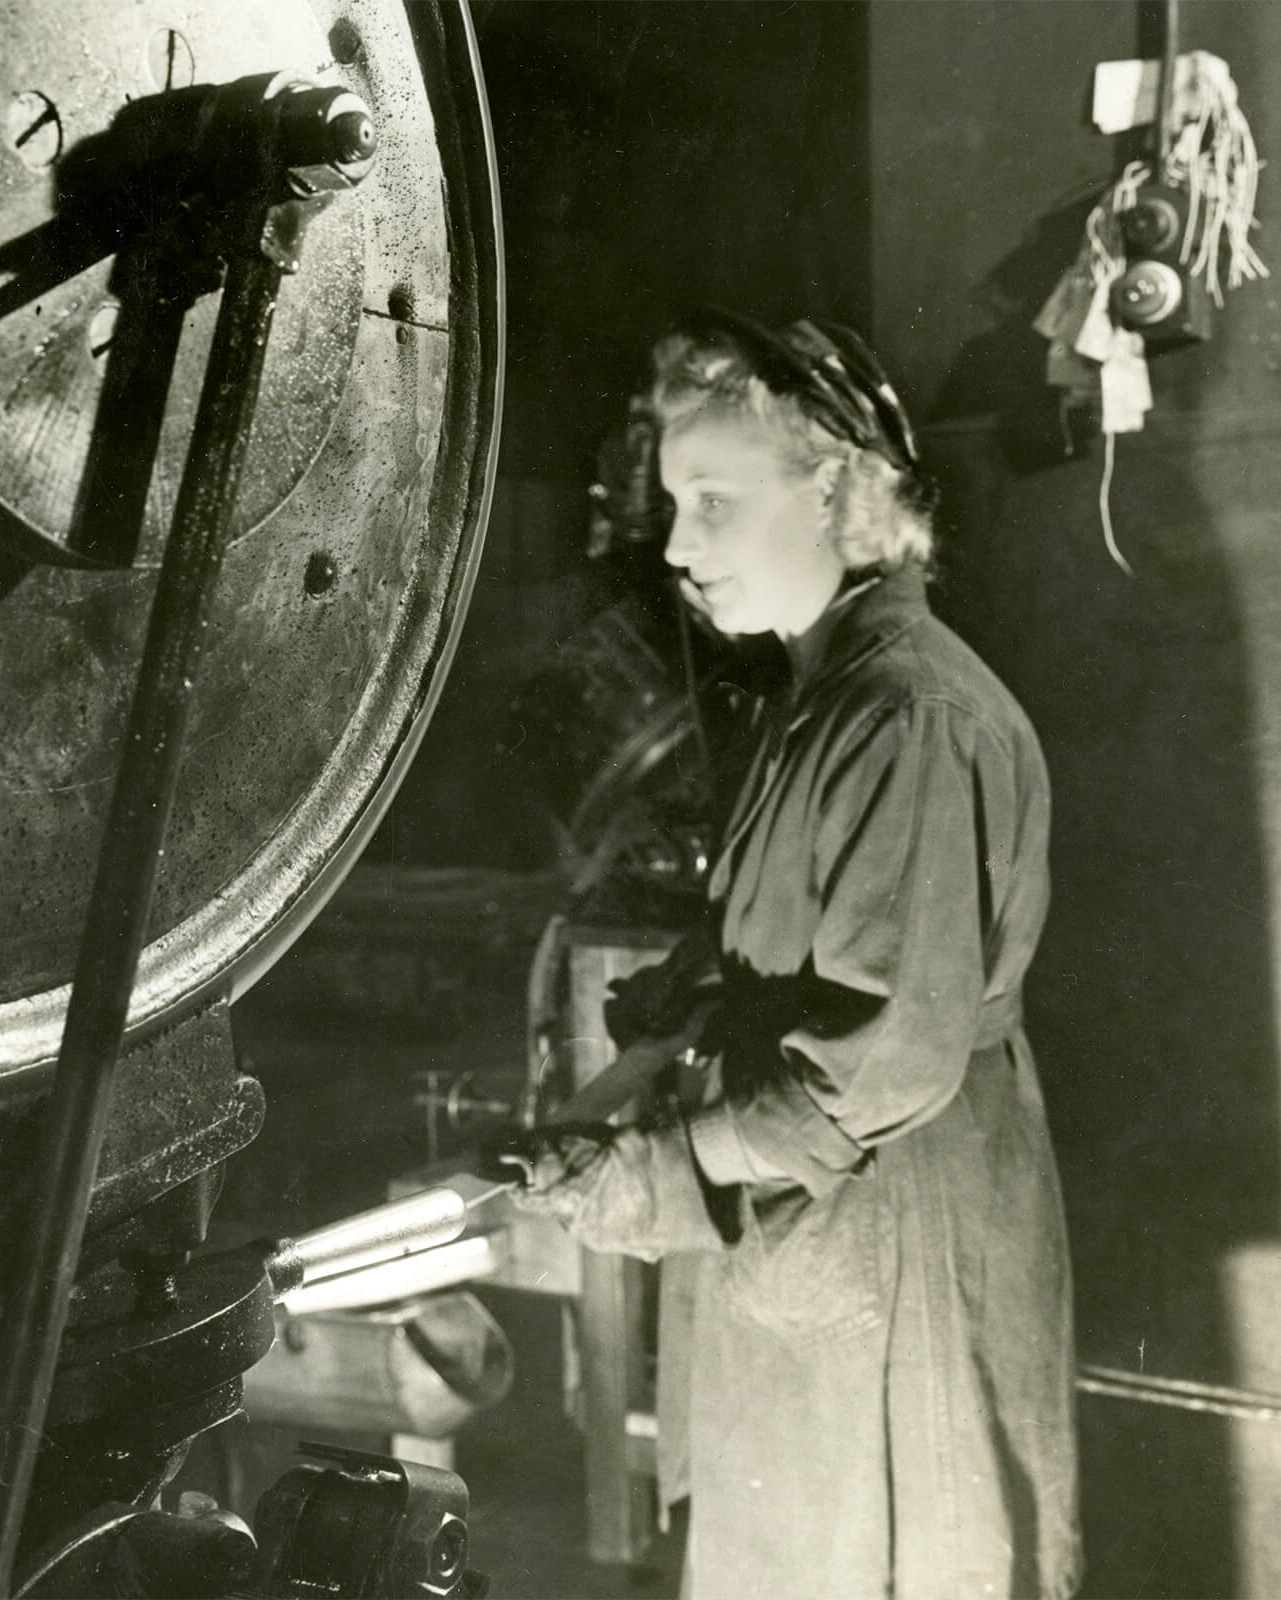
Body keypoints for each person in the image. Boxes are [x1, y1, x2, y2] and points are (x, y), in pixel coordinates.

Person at [499, 309, 1082, 1599]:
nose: (678, 543)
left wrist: (659, 1163)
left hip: (898, 1229)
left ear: (840, 493)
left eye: (715, 499)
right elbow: (807, 940)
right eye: (671, 502)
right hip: (822, 1229)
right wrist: (698, 990)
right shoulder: (823, 693)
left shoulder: (910, 716)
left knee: (899, 1555)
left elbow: (871, 1070)